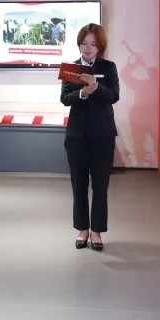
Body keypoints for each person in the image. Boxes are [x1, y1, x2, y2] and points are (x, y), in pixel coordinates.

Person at [60, 23, 120, 251]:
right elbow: (65, 98)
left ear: (100, 47)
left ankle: (97, 231)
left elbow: (114, 96)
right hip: (77, 136)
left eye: (93, 44)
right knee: (79, 184)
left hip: (103, 135)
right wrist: (82, 93)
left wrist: (97, 89)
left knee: (101, 185)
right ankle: (82, 229)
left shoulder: (109, 67)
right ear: (79, 44)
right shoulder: (71, 68)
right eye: (84, 43)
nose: (88, 48)